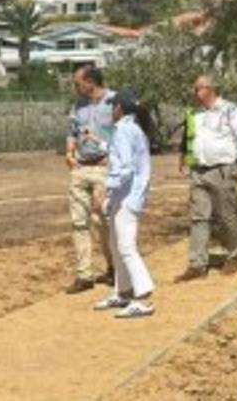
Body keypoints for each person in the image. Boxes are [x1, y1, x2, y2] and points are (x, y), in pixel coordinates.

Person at [176, 74, 237, 281]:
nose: (194, 93)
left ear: (209, 89)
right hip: (199, 170)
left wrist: (234, 161)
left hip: (223, 169)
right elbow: (190, 138)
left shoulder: (229, 110)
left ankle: (232, 255)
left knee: (225, 215)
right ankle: (197, 264)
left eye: (197, 88)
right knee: (199, 217)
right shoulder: (195, 113)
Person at [91, 90, 155, 319]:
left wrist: (104, 189)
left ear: (119, 108)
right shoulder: (130, 129)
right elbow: (118, 154)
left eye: (113, 105)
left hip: (127, 197)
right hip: (124, 196)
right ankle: (123, 292)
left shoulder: (125, 130)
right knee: (117, 245)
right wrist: (98, 143)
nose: (111, 109)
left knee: (126, 247)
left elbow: (125, 168)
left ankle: (142, 297)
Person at [62, 65, 115, 294]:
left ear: (90, 81)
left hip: (104, 167)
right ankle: (84, 275)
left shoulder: (114, 101)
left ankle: (113, 267)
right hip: (81, 167)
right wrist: (69, 153)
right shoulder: (78, 106)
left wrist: (114, 158)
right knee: (78, 221)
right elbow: (72, 131)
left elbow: (125, 132)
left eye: (77, 82)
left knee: (102, 220)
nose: (75, 87)